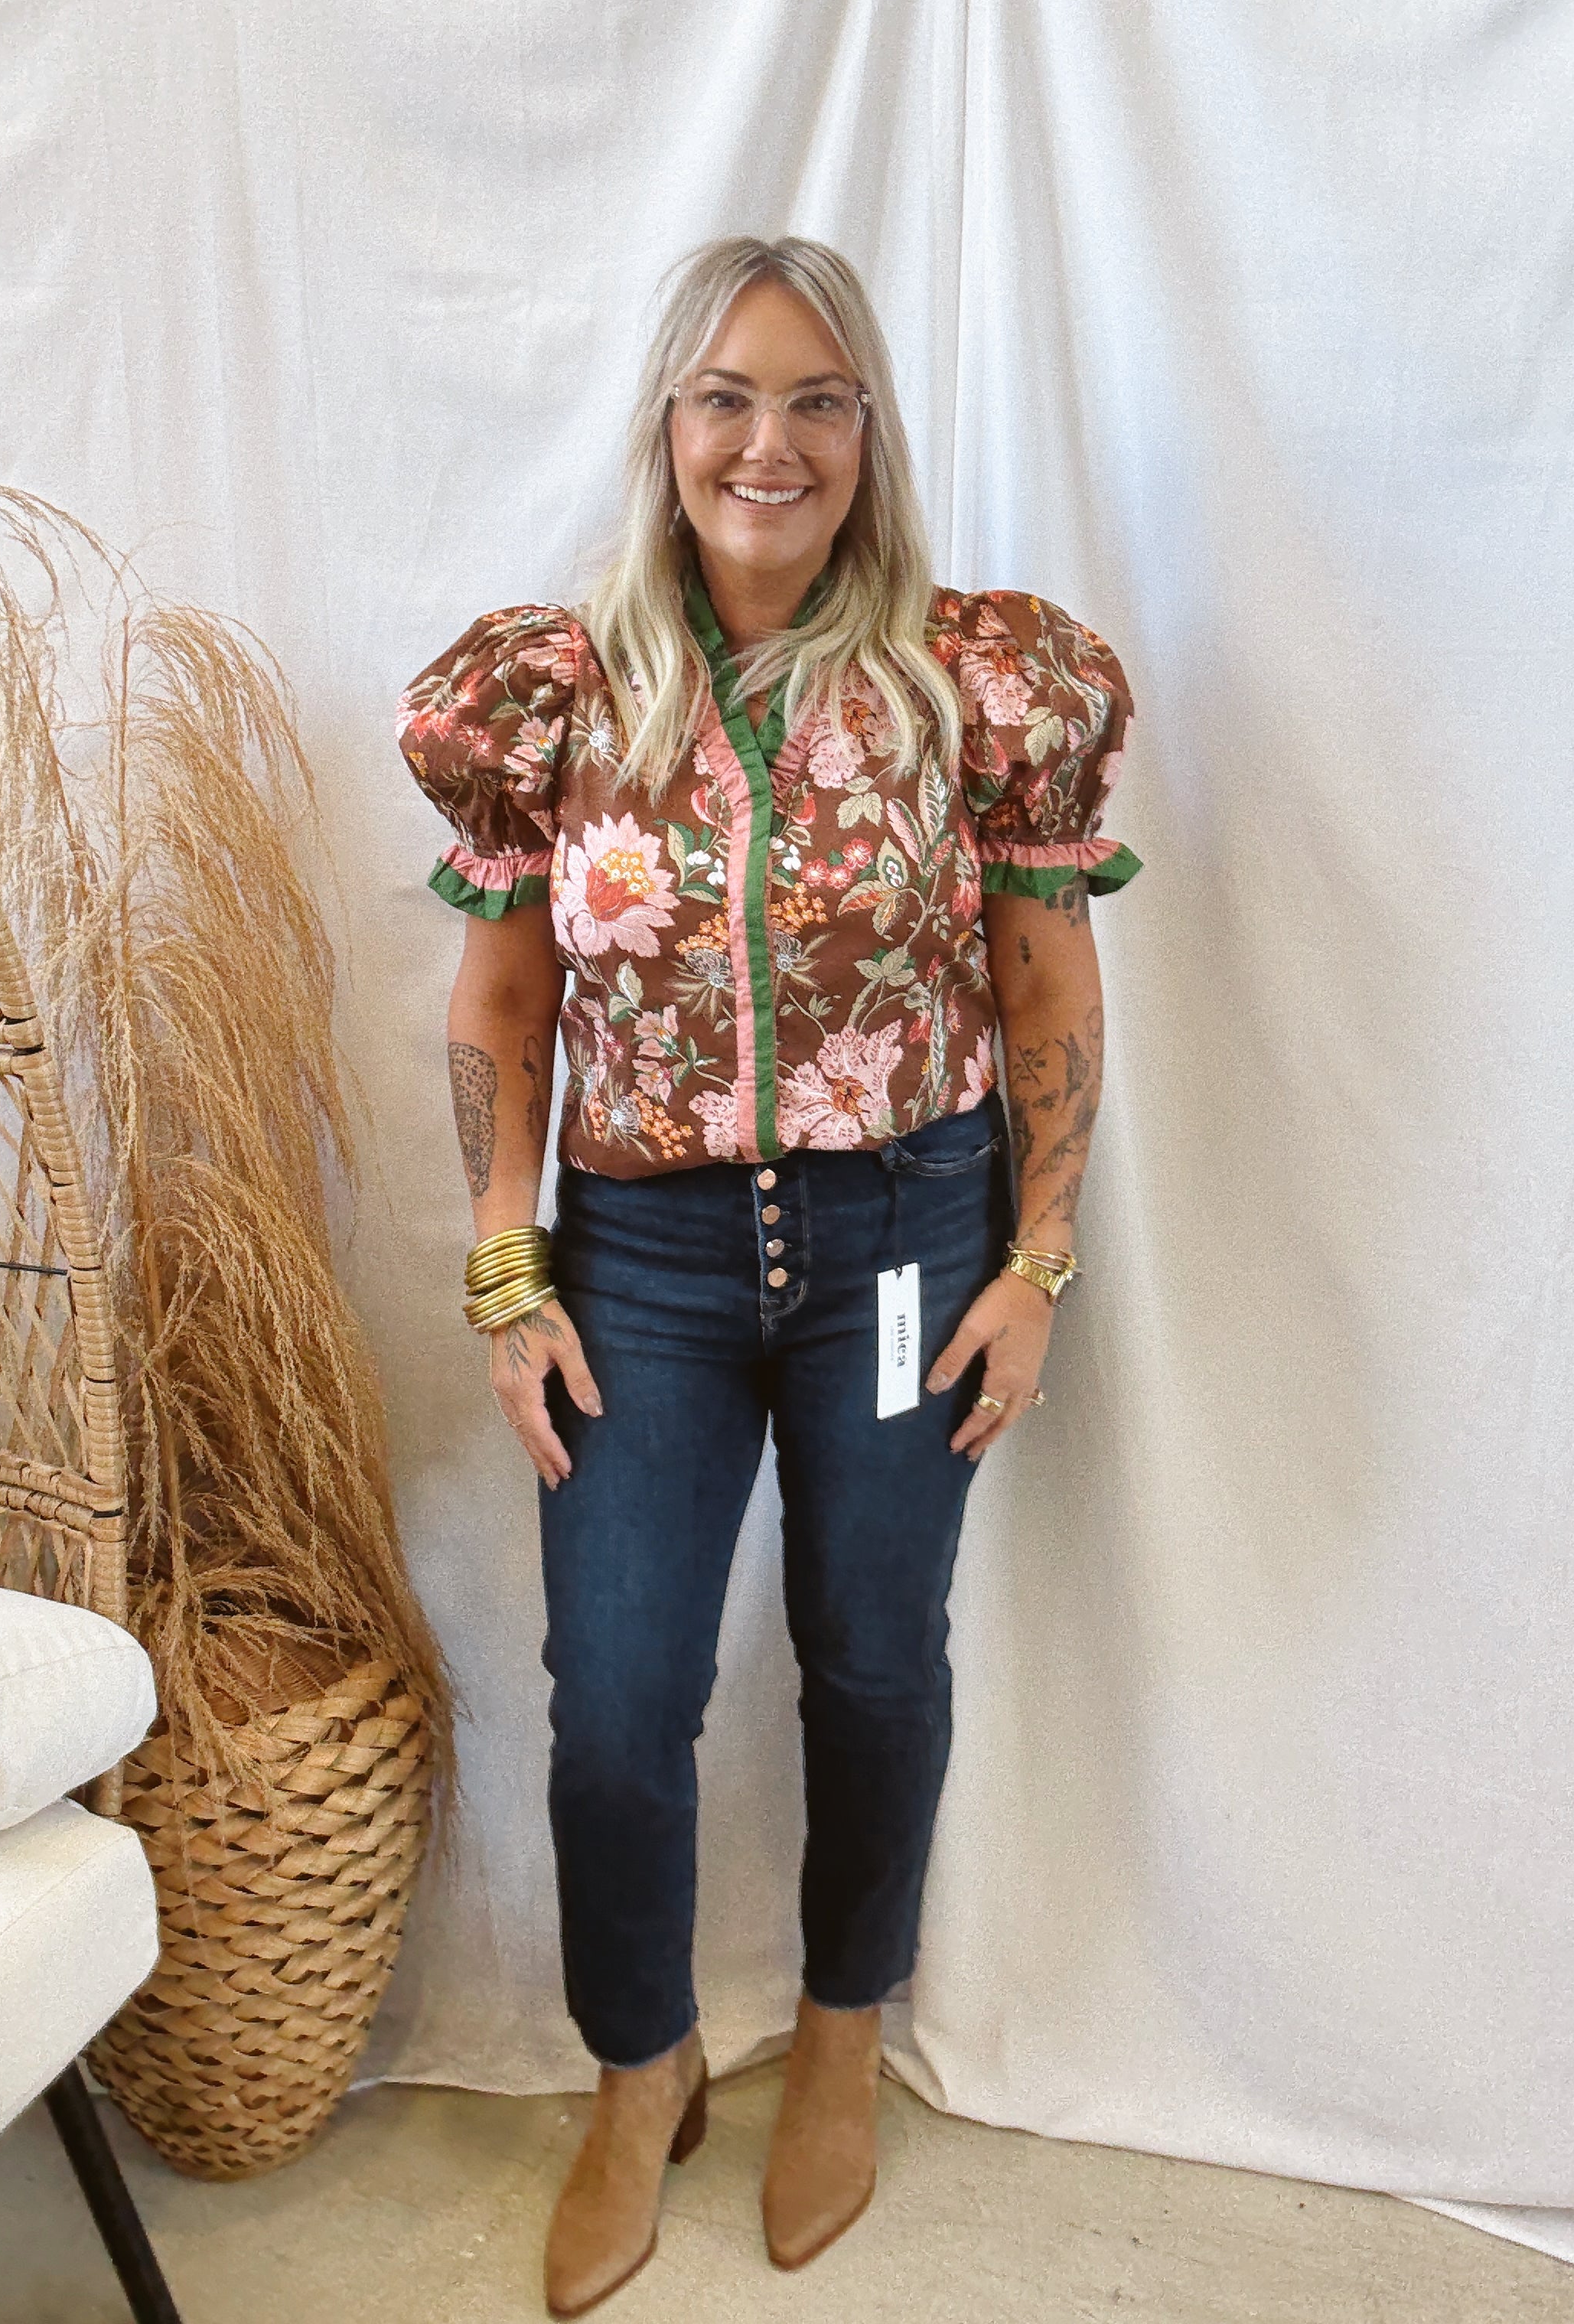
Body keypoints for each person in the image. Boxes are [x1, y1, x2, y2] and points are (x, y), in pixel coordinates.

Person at [396, 233, 1139, 2319]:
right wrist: (502, 1269)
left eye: (819, 400)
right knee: (617, 1705)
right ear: (664, 423)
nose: (771, 441)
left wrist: (1042, 1253)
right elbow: (501, 1003)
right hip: (635, 1252)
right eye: (728, 394)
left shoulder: (971, 678)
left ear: (867, 434)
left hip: (906, 1230)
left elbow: (1039, 963)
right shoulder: (554, 697)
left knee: (874, 1657)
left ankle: (836, 2040)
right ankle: (636, 2073)